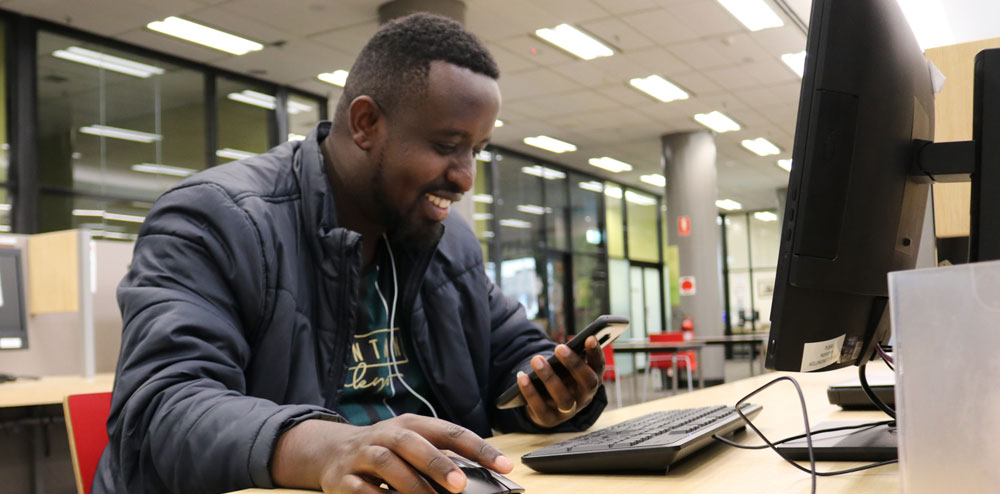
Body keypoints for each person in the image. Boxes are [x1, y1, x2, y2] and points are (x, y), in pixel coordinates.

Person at [93, 12, 607, 494]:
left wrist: (549, 397)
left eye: (476, 150)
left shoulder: (447, 241)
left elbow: (512, 355)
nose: (466, 177)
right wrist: (322, 446)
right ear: (365, 123)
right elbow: (162, 409)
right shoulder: (215, 220)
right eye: (447, 144)